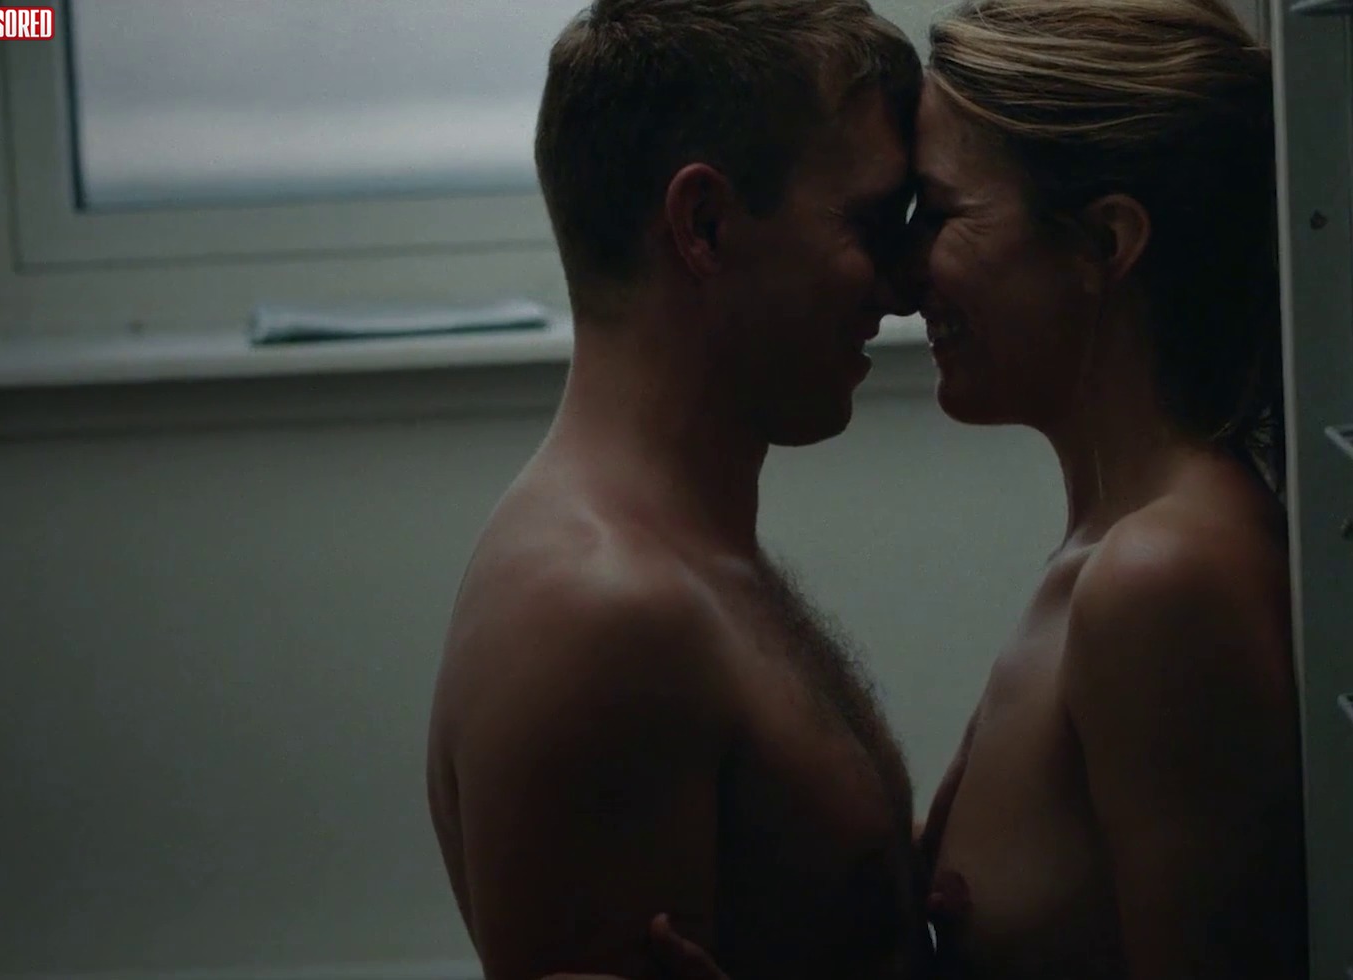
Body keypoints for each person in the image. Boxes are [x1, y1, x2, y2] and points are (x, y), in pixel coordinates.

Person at [422, 1, 927, 978]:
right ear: (704, 224)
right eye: (870, 223)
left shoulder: (678, 563)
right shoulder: (603, 614)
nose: (903, 287)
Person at [906, 0, 1307, 977]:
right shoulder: (1114, 548)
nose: (905, 273)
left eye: (942, 213)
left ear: (1104, 242)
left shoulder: (1162, 579)